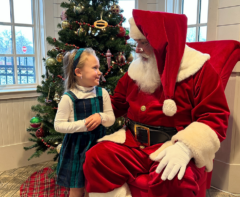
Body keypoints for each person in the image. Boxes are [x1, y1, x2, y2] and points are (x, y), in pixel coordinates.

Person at [83, 10, 230, 197]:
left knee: (174, 178)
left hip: (171, 145)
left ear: (165, 42)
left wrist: (185, 148)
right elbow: (117, 103)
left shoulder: (199, 70)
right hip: (132, 144)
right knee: (97, 158)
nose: (137, 50)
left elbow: (215, 117)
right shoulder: (136, 69)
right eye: (136, 42)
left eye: (144, 42)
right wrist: (86, 104)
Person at [54, 48, 115, 197]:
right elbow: (58, 125)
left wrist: (101, 117)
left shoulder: (102, 93)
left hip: (98, 145)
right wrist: (83, 124)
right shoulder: (69, 97)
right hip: (77, 148)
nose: (99, 72)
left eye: (99, 67)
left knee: (92, 185)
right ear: (79, 72)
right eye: (94, 68)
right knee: (77, 187)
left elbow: (111, 120)